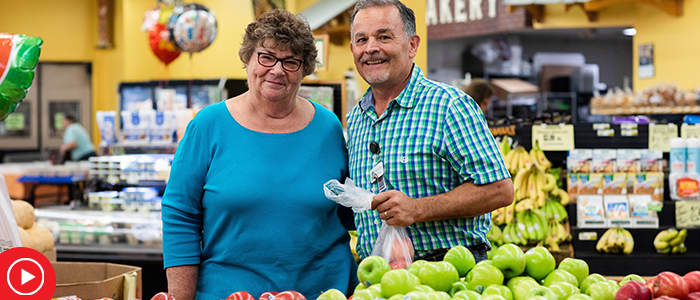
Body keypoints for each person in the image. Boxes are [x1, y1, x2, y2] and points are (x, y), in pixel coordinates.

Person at [161, 9, 357, 300]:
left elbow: (346, 209)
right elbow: (181, 215)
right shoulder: (208, 126)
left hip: (325, 291)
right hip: (230, 292)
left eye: (291, 62)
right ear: (248, 59)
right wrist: (180, 296)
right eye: (266, 57)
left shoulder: (328, 127)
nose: (277, 70)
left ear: (304, 70)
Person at [347, 0, 514, 263]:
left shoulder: (449, 106)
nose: (371, 48)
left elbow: (499, 189)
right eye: (362, 39)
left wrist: (418, 208)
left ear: (412, 45)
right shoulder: (356, 119)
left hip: (448, 273)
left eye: (384, 37)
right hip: (379, 278)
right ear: (352, 48)